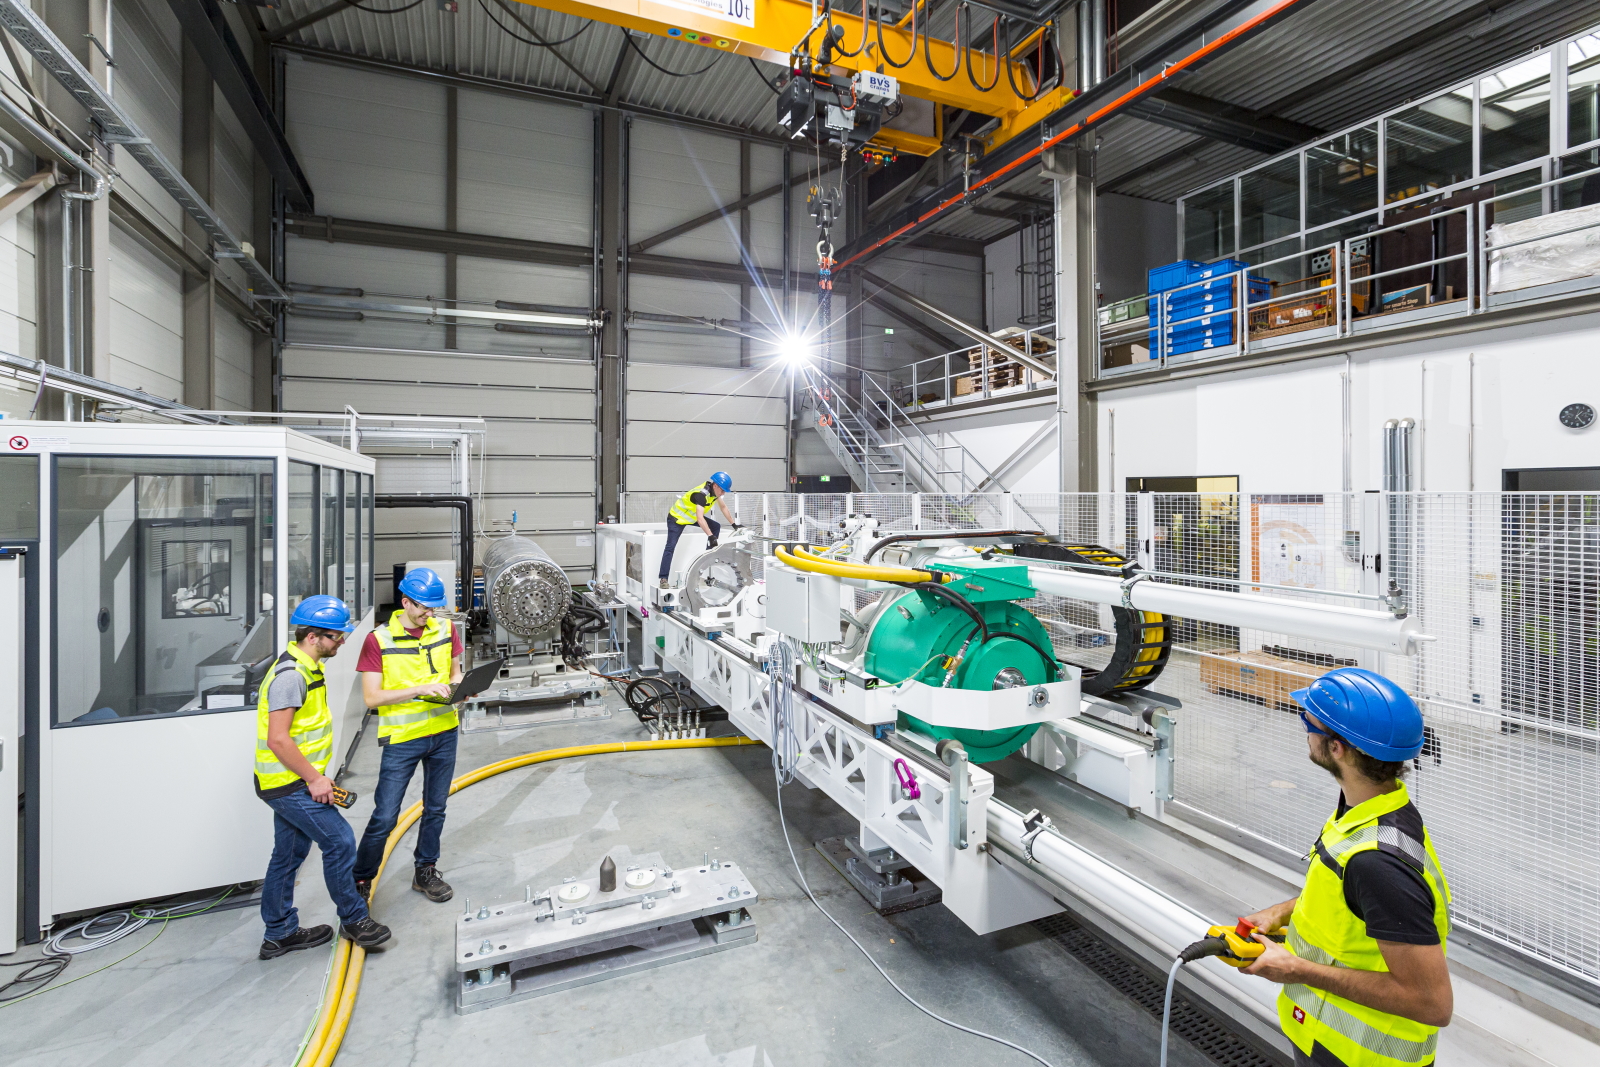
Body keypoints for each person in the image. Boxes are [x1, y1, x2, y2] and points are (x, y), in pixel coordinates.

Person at [1237, 667, 1452, 1067]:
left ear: (1337, 749)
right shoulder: (1367, 811)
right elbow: (1346, 896)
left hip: (1360, 1058)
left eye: (1308, 721)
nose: (1304, 728)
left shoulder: (1379, 863)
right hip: (1326, 1039)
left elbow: (1432, 1003)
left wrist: (1297, 968)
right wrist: (1281, 912)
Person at [256, 595, 391, 960]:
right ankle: (354, 919)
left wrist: (317, 775)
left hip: (291, 779)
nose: (343, 641)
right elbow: (278, 739)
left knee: (288, 854)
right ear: (313, 637)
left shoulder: (307, 667)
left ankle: (279, 933)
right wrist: (315, 780)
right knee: (341, 841)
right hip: (288, 784)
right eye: (336, 636)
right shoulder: (291, 677)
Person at [351, 567, 464, 904]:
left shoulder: (445, 629)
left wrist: (460, 688)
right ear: (405, 602)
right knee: (385, 815)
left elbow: (456, 672)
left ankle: (425, 870)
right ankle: (361, 879)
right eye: (424, 608)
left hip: (444, 730)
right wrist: (421, 689)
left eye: (434, 608)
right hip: (402, 737)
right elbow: (372, 698)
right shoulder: (378, 640)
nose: (430, 614)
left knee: (436, 808)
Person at [659, 471, 740, 589]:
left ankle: (708, 558)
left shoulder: (715, 493)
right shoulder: (701, 495)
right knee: (670, 547)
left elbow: (723, 507)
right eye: (722, 490)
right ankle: (663, 579)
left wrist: (734, 524)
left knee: (715, 526)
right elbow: (700, 518)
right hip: (677, 519)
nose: (723, 493)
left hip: (691, 517)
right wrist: (711, 536)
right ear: (715, 485)